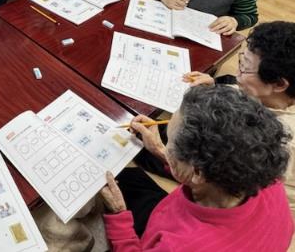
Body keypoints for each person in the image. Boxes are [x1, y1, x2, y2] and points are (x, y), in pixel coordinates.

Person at [100, 85, 293, 251]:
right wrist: (160, 150)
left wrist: (119, 217)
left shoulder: (180, 246)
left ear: (198, 172)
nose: (165, 145)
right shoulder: (267, 179)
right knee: (131, 179)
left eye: (169, 142)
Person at [184, 21, 295, 220]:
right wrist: (215, 87)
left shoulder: (277, 143)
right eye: (241, 61)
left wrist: (161, 151)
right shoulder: (273, 97)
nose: (237, 74)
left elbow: (222, 189)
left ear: (279, 84)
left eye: (244, 69)